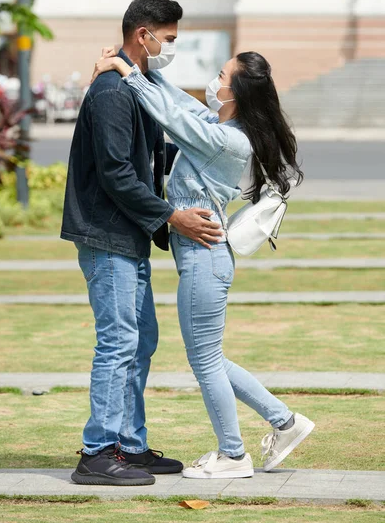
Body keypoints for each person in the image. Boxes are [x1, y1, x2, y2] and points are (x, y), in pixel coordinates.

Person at [90, 48, 315, 479]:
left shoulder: (227, 140)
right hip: (202, 258)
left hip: (203, 259)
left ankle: (233, 455)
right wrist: (135, 66)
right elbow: (178, 101)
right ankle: (286, 423)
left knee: (206, 361)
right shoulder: (220, 125)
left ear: (236, 91)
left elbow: (171, 118)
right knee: (212, 358)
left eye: (220, 75)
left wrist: (127, 72)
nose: (214, 81)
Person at [61, 0, 224, 487]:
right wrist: (173, 216)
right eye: (168, 39)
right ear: (143, 35)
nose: (169, 48)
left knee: (140, 340)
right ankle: (97, 453)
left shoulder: (137, 84)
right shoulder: (112, 92)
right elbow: (116, 173)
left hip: (126, 233)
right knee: (118, 342)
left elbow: (164, 135)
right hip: (107, 232)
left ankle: (129, 447)